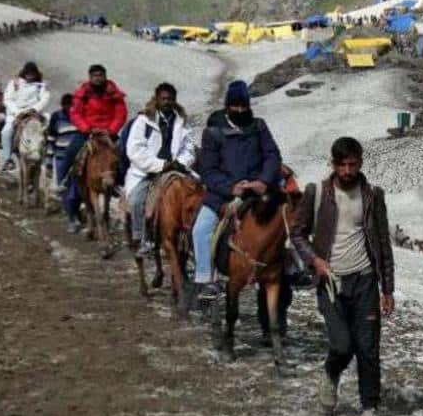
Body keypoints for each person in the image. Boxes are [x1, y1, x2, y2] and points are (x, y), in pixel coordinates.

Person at [291, 136, 395, 416]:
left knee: (368, 347)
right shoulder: (317, 193)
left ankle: (370, 406)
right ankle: (330, 373)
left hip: (364, 280)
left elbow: (383, 242)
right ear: (333, 164)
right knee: (342, 344)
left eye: (353, 164)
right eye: (342, 165)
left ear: (360, 162)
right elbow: (298, 233)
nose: (348, 171)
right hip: (330, 282)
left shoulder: (373, 194)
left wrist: (387, 289)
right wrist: (314, 260)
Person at [193, 80, 282, 302]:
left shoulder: (259, 126)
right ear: (228, 106)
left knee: (288, 219)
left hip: (257, 189)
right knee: (201, 229)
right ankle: (206, 279)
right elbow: (208, 169)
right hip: (224, 192)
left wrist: (263, 180)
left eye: (244, 106)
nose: (240, 110)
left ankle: (295, 268)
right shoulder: (213, 132)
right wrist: (231, 187)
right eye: (236, 106)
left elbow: (272, 155)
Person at [124, 83, 195, 259]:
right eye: (163, 98)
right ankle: (142, 238)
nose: (167, 102)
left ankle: (191, 237)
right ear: (156, 99)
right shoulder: (144, 122)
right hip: (148, 171)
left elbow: (189, 147)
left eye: (170, 99)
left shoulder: (182, 122)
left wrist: (181, 162)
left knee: (197, 194)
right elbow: (135, 150)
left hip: (176, 168)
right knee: (136, 200)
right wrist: (159, 165)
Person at [66, 64, 128, 188]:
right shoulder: (82, 93)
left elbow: (121, 113)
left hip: (108, 132)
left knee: (123, 154)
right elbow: (75, 113)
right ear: (90, 77)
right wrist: (87, 129)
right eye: (95, 76)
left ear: (105, 76)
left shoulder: (114, 94)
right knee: (71, 151)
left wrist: (111, 130)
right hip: (87, 132)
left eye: (100, 75)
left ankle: (122, 183)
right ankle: (64, 180)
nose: (98, 78)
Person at [0, 62, 51, 169]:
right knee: (6, 131)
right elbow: (7, 99)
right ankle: (7, 158)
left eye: (32, 73)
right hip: (16, 113)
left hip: (34, 112)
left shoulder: (41, 85)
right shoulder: (14, 83)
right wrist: (18, 112)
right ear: (24, 73)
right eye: (28, 73)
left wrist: (33, 109)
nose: (30, 75)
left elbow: (44, 99)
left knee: (47, 126)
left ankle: (46, 156)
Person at [45, 94, 82, 231]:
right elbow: (51, 138)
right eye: (68, 106)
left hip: (78, 159)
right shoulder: (57, 117)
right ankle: (71, 219)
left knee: (76, 190)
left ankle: (75, 212)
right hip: (61, 158)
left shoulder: (80, 117)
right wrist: (49, 161)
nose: (71, 109)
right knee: (64, 189)